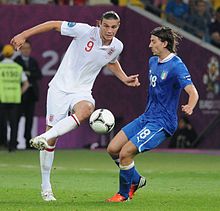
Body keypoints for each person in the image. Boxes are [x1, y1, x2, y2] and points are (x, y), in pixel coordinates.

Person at [10, 11, 140, 201]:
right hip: (59, 88)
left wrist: (124, 78)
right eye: (106, 26)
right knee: (51, 142)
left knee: (86, 109)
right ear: (99, 24)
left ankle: (44, 136)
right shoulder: (84, 31)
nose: (110, 30)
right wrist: (24, 35)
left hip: (82, 91)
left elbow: (111, 62)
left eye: (114, 27)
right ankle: (46, 187)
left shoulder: (117, 46)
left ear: (118, 27)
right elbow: (54, 24)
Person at [106, 26, 199, 202]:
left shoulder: (177, 66)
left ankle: (123, 194)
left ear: (164, 43)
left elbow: (193, 91)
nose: (150, 45)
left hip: (162, 122)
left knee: (126, 153)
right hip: (146, 117)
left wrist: (190, 106)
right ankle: (136, 179)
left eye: (153, 41)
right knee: (113, 149)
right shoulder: (152, 61)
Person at [0, 44, 29, 152]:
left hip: (2, 98)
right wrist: (19, 93)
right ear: (12, 54)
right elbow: (26, 84)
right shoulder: (18, 68)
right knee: (14, 123)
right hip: (15, 99)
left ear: (3, 54)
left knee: (2, 123)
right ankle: (12, 146)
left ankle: (2, 143)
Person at [14, 40, 42, 149]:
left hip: (31, 94)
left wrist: (28, 74)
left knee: (29, 119)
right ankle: (14, 141)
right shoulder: (16, 61)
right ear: (20, 49)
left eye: (28, 48)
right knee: (16, 119)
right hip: (20, 94)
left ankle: (28, 142)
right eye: (24, 48)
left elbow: (38, 75)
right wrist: (27, 75)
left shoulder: (33, 61)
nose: (26, 50)